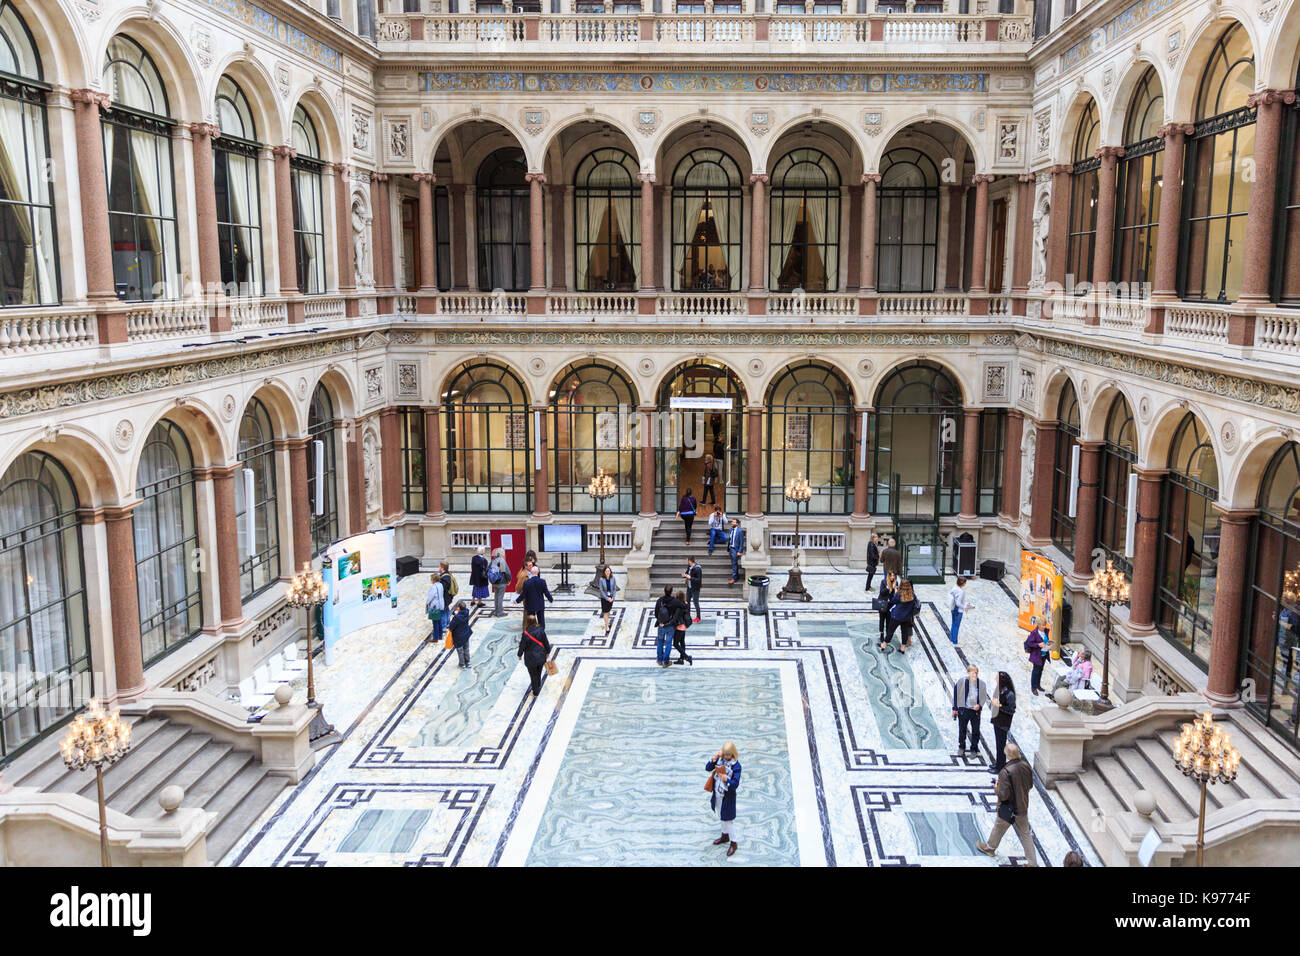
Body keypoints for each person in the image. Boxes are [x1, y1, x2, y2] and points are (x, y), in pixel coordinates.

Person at [977, 743, 1038, 866]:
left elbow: (1003, 794)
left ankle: (990, 848)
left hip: (1008, 808)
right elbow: (1030, 785)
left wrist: (996, 787)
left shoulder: (1005, 772)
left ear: (1008, 755)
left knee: (998, 827)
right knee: (1025, 834)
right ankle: (1032, 863)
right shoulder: (1026, 766)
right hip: (1022, 806)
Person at [706, 742, 742, 857]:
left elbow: (735, 784)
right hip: (718, 793)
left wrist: (726, 779)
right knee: (721, 816)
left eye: (728, 754)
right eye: (725, 754)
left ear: (733, 753)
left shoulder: (736, 766)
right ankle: (724, 835)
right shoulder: (720, 760)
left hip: (728, 797)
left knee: (729, 820)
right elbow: (707, 768)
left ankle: (734, 842)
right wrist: (715, 758)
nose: (726, 757)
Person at [951, 664, 988, 756]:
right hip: (964, 710)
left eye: (976, 673)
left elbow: (983, 697)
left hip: (975, 711)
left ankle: (974, 748)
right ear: (968, 673)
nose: (975, 675)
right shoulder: (961, 682)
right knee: (962, 729)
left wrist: (979, 705)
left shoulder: (982, 684)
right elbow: (955, 695)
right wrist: (954, 708)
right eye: (973, 673)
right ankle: (961, 746)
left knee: (975, 730)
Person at [517, 612, 551, 696]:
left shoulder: (526, 634)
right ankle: (538, 684)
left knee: (533, 674)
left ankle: (535, 691)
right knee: (538, 672)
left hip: (530, 658)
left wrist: (519, 654)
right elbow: (546, 642)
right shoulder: (541, 630)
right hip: (541, 656)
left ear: (528, 622)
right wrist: (548, 651)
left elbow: (522, 645)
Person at [990, 671, 1017, 774]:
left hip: (1003, 723)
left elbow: (1011, 710)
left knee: (1001, 746)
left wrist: (999, 706)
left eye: (997, 678)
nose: (995, 679)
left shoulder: (1009, 694)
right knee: (998, 745)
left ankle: (1000, 767)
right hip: (997, 720)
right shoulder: (999, 689)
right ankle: (998, 763)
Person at [885, 577, 920, 653]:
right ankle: (903, 648)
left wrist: (895, 591)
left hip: (896, 617)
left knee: (890, 631)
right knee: (904, 632)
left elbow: (893, 601)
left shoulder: (899, 594)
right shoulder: (912, 595)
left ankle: (884, 645)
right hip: (906, 617)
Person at [653, 585, 677, 668]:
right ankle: (665, 661)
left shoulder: (660, 600)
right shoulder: (674, 601)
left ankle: (659, 659)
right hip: (670, 625)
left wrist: (660, 621)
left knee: (660, 641)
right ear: (671, 591)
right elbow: (675, 614)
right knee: (668, 643)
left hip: (661, 625)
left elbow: (656, 612)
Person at [1024, 618, 1049, 695]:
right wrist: (1038, 645)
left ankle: (1038, 685)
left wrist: (1048, 646)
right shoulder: (1034, 633)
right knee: (1036, 671)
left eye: (1045, 625)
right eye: (1042, 625)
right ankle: (1033, 687)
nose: (1044, 626)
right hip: (1037, 655)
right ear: (1038, 625)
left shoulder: (1046, 631)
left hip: (1044, 654)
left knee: (1040, 670)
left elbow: (1046, 641)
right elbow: (1030, 643)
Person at [948, 575, 974, 644]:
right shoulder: (961, 592)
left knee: (953, 624)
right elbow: (958, 603)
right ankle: (954, 642)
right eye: (965, 582)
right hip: (958, 610)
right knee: (956, 626)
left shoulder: (954, 587)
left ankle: (951, 639)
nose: (965, 584)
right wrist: (966, 606)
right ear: (963, 583)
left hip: (952, 608)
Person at [876, 571, 899, 649]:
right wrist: (889, 587)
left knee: (889, 621)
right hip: (883, 603)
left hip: (890, 606)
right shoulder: (883, 582)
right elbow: (881, 592)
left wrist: (895, 588)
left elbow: (896, 595)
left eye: (894, 575)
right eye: (891, 576)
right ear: (888, 576)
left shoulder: (896, 583)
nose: (893, 577)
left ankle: (887, 635)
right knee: (882, 620)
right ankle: (881, 634)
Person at [671, 588, 694, 665]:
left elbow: (675, 618)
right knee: (682, 642)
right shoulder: (686, 604)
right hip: (684, 626)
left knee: (675, 644)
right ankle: (681, 659)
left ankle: (687, 657)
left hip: (679, 627)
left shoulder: (679, 607)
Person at [448, 601, 473, 668]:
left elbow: (451, 626)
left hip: (458, 636)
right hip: (466, 634)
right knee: (466, 649)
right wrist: (456, 613)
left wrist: (455, 615)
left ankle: (462, 664)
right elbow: (459, 613)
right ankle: (468, 662)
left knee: (460, 651)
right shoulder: (466, 612)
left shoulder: (457, 618)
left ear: (459, 608)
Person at [488, 547, 510, 617]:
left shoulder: (493, 560)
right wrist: (509, 580)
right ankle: (500, 613)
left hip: (494, 582)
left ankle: (496, 611)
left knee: (496, 597)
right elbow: (507, 572)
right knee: (500, 597)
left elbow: (488, 570)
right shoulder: (502, 561)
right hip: (501, 582)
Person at [597, 564, 619, 636]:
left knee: (608, 611)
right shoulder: (601, 579)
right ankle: (607, 626)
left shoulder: (613, 578)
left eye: (608, 571)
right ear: (604, 572)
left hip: (611, 597)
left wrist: (613, 598)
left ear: (610, 572)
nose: (607, 572)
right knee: (605, 612)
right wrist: (607, 598)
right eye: (606, 571)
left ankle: (607, 622)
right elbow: (601, 590)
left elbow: (614, 589)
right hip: (604, 598)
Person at [425, 572, 446, 644]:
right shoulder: (441, 585)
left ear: (434, 580)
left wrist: (427, 602)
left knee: (435, 622)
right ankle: (440, 635)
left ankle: (435, 638)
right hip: (440, 604)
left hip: (435, 606)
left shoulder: (433, 587)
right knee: (439, 620)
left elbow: (430, 597)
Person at [683, 556, 703, 623]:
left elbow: (699, 580)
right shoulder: (689, 566)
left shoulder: (697, 569)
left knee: (696, 602)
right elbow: (687, 573)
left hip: (695, 588)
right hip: (689, 587)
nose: (687, 562)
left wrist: (690, 577)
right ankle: (688, 615)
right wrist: (684, 575)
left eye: (687, 560)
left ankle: (698, 617)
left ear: (690, 561)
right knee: (687, 601)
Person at [726, 518, 745, 585]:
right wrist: (728, 549)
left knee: (734, 564)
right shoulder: (731, 530)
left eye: (733, 522)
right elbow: (730, 540)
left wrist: (739, 551)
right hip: (731, 548)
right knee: (734, 563)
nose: (732, 523)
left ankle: (734, 578)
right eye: (732, 522)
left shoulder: (740, 531)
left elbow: (742, 542)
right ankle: (736, 576)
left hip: (736, 549)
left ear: (737, 524)